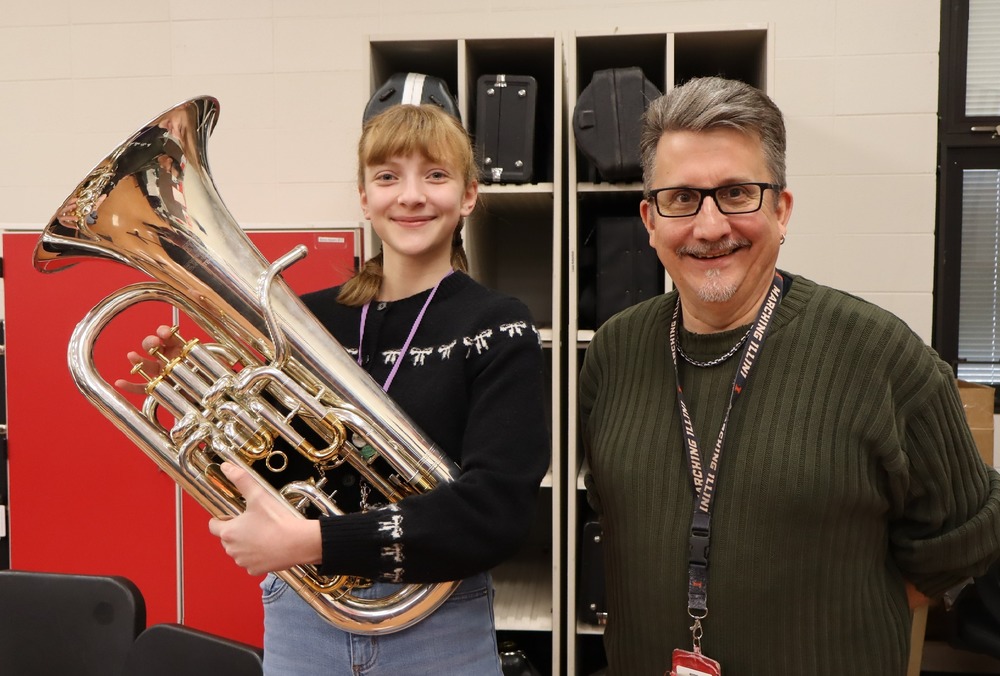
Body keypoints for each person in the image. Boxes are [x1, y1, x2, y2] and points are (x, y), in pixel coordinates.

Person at [578, 75, 1000, 675]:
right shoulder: (615, 351)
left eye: (737, 193)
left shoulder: (879, 354)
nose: (709, 226)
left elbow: (963, 537)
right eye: (681, 199)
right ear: (650, 219)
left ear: (782, 209)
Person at [118, 103, 550, 675]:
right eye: (388, 176)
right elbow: (276, 468)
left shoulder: (497, 324)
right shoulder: (306, 319)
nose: (411, 195)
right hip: (305, 618)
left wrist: (312, 542)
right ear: (364, 197)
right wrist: (197, 407)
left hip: (437, 622)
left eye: (436, 175)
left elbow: (495, 511)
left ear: (468, 196)